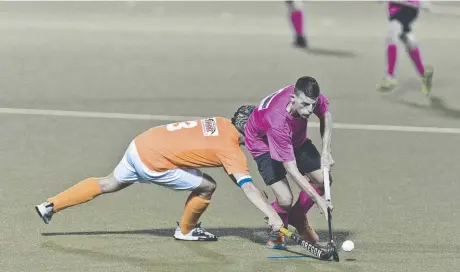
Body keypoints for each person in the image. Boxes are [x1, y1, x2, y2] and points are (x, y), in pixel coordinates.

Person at [35, 117, 283, 241]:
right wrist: (271, 214)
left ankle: (50, 205)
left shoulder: (220, 122)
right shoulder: (231, 150)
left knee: (108, 183)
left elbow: (237, 174)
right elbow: (245, 185)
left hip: (141, 143)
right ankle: (186, 230)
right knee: (208, 186)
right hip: (152, 162)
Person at [232, 76, 334, 250]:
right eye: (305, 105)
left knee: (323, 179)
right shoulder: (277, 121)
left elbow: (326, 114)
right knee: (285, 199)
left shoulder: (308, 95)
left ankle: (298, 216)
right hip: (261, 142)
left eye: (313, 104)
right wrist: (318, 200)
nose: (310, 110)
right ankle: (277, 221)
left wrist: (326, 150)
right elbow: (291, 168)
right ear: (293, 99)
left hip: (294, 137)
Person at [376, 0, 434, 95]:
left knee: (392, 34)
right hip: (395, 8)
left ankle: (390, 77)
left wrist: (424, 2)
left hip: (407, 7)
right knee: (408, 41)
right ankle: (424, 73)